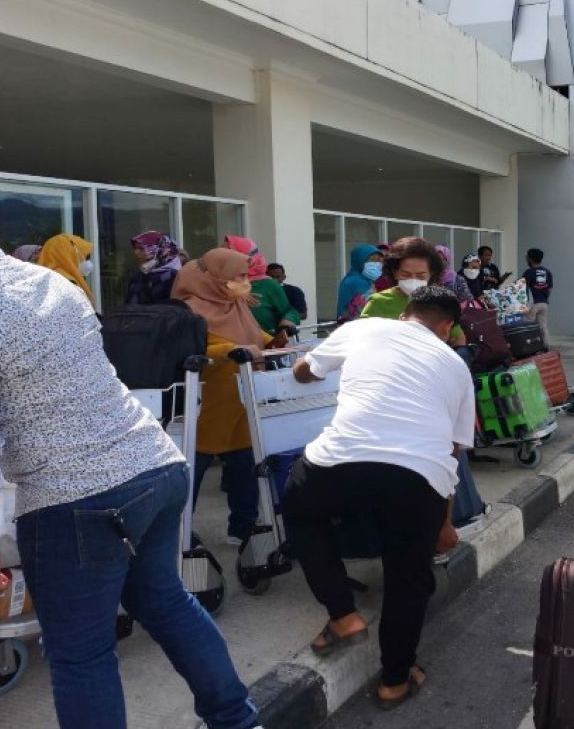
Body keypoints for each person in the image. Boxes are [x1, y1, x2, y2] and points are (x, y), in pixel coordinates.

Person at [0, 160, 257, 729]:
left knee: (80, 654)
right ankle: (238, 721)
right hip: (154, 468)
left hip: (75, 500)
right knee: (166, 603)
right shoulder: (48, 282)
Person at [285, 286, 474, 710]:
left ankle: (343, 613)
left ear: (407, 313)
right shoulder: (456, 367)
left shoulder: (366, 327)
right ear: (446, 327)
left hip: (338, 461)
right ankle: (394, 681)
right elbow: (454, 451)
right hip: (419, 476)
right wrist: (443, 523)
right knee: (408, 576)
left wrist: (303, 366)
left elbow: (305, 370)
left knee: (301, 512)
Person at [172, 249, 273, 547]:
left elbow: (254, 335)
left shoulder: (236, 303)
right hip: (206, 405)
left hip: (241, 400)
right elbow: (198, 348)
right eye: (239, 276)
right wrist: (229, 349)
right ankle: (179, 533)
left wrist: (275, 339)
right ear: (216, 277)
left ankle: (242, 527)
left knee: (245, 468)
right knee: (191, 474)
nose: (245, 282)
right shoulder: (188, 310)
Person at [361, 236, 466, 346]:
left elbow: (458, 339)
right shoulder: (378, 301)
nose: (413, 280)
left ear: (431, 274)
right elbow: (362, 338)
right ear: (394, 272)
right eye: (406, 274)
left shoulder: (441, 302)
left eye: (421, 276)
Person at [222, 235, 299, 336]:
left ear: (246, 257)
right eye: (221, 251)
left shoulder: (267, 284)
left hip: (265, 346)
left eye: (228, 252)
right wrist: (235, 296)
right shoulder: (214, 282)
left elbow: (289, 311)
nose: (221, 256)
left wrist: (287, 322)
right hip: (224, 346)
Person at [125, 230, 182, 306]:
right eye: (135, 248)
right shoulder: (137, 276)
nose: (136, 253)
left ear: (159, 250)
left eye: (141, 248)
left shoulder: (173, 276)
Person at [38, 232, 95, 305]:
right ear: (69, 254)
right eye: (85, 256)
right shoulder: (65, 282)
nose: (85, 260)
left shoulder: (43, 277)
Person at [335, 244, 382, 323]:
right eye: (372, 260)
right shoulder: (353, 281)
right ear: (359, 260)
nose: (376, 264)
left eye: (378, 260)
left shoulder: (372, 281)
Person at [521, 247, 553, 345]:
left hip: (532, 304)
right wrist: (544, 297)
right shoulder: (547, 272)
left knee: (529, 326)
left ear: (530, 259)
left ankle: (530, 346)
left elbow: (522, 289)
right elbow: (550, 289)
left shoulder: (528, 272)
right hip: (544, 303)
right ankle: (545, 345)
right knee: (543, 326)